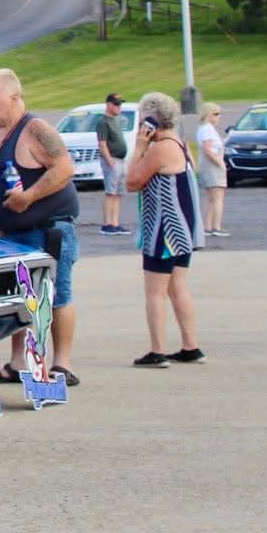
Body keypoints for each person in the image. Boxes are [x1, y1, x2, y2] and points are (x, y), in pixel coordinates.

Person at [0, 68, 82, 386]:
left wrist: (29, 197)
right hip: (13, 233)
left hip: (48, 228)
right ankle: (17, 361)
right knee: (20, 297)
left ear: (14, 97)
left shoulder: (35, 128)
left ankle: (62, 364)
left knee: (57, 293)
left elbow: (64, 167)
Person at [126, 90, 204, 366]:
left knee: (155, 292)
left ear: (151, 121)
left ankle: (157, 350)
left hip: (163, 230)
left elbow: (132, 181)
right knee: (178, 286)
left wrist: (138, 148)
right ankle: (190, 345)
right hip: (182, 230)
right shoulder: (179, 144)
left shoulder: (160, 149)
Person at [96, 93, 130, 235]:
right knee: (110, 192)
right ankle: (107, 223)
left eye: (119, 104)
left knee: (118, 193)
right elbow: (102, 143)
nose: (118, 107)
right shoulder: (103, 122)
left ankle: (115, 223)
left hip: (121, 159)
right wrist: (109, 160)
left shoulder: (116, 120)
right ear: (109, 104)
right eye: (116, 104)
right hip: (112, 160)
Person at [194, 102, 230, 237]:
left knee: (211, 198)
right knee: (218, 197)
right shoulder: (207, 129)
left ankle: (207, 227)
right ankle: (216, 227)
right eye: (215, 114)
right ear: (208, 115)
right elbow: (208, 149)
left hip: (207, 164)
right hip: (212, 165)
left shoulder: (204, 128)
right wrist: (220, 163)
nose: (218, 117)